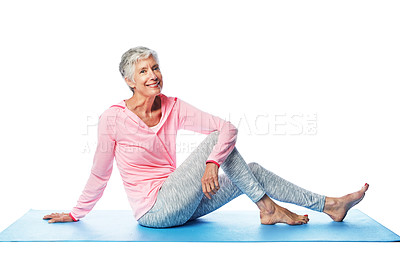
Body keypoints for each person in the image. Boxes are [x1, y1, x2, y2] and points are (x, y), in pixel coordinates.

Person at [43, 46, 369, 228]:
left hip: (184, 201)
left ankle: (330, 205)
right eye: (144, 71)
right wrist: (76, 213)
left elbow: (228, 128)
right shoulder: (112, 118)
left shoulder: (173, 106)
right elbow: (100, 173)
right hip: (155, 212)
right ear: (129, 81)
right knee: (218, 146)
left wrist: (213, 162)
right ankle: (268, 207)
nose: (153, 75)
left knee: (248, 168)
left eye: (155, 67)